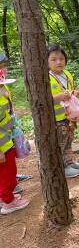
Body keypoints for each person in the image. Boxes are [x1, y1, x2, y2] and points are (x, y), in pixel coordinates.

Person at [48, 44, 79, 178]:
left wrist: (75, 92)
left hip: (70, 116)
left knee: (69, 138)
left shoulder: (67, 74)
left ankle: (69, 162)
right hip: (56, 117)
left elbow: (69, 91)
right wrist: (57, 97)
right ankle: (62, 168)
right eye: (54, 59)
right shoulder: (47, 77)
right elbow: (39, 99)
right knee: (61, 141)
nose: (58, 62)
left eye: (61, 58)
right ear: (46, 61)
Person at [0, 64, 30, 214]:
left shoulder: (3, 90)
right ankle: (8, 202)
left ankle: (4, 196)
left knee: (4, 173)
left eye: (5, 66)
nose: (3, 70)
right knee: (8, 174)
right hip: (2, 145)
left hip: (5, 141)